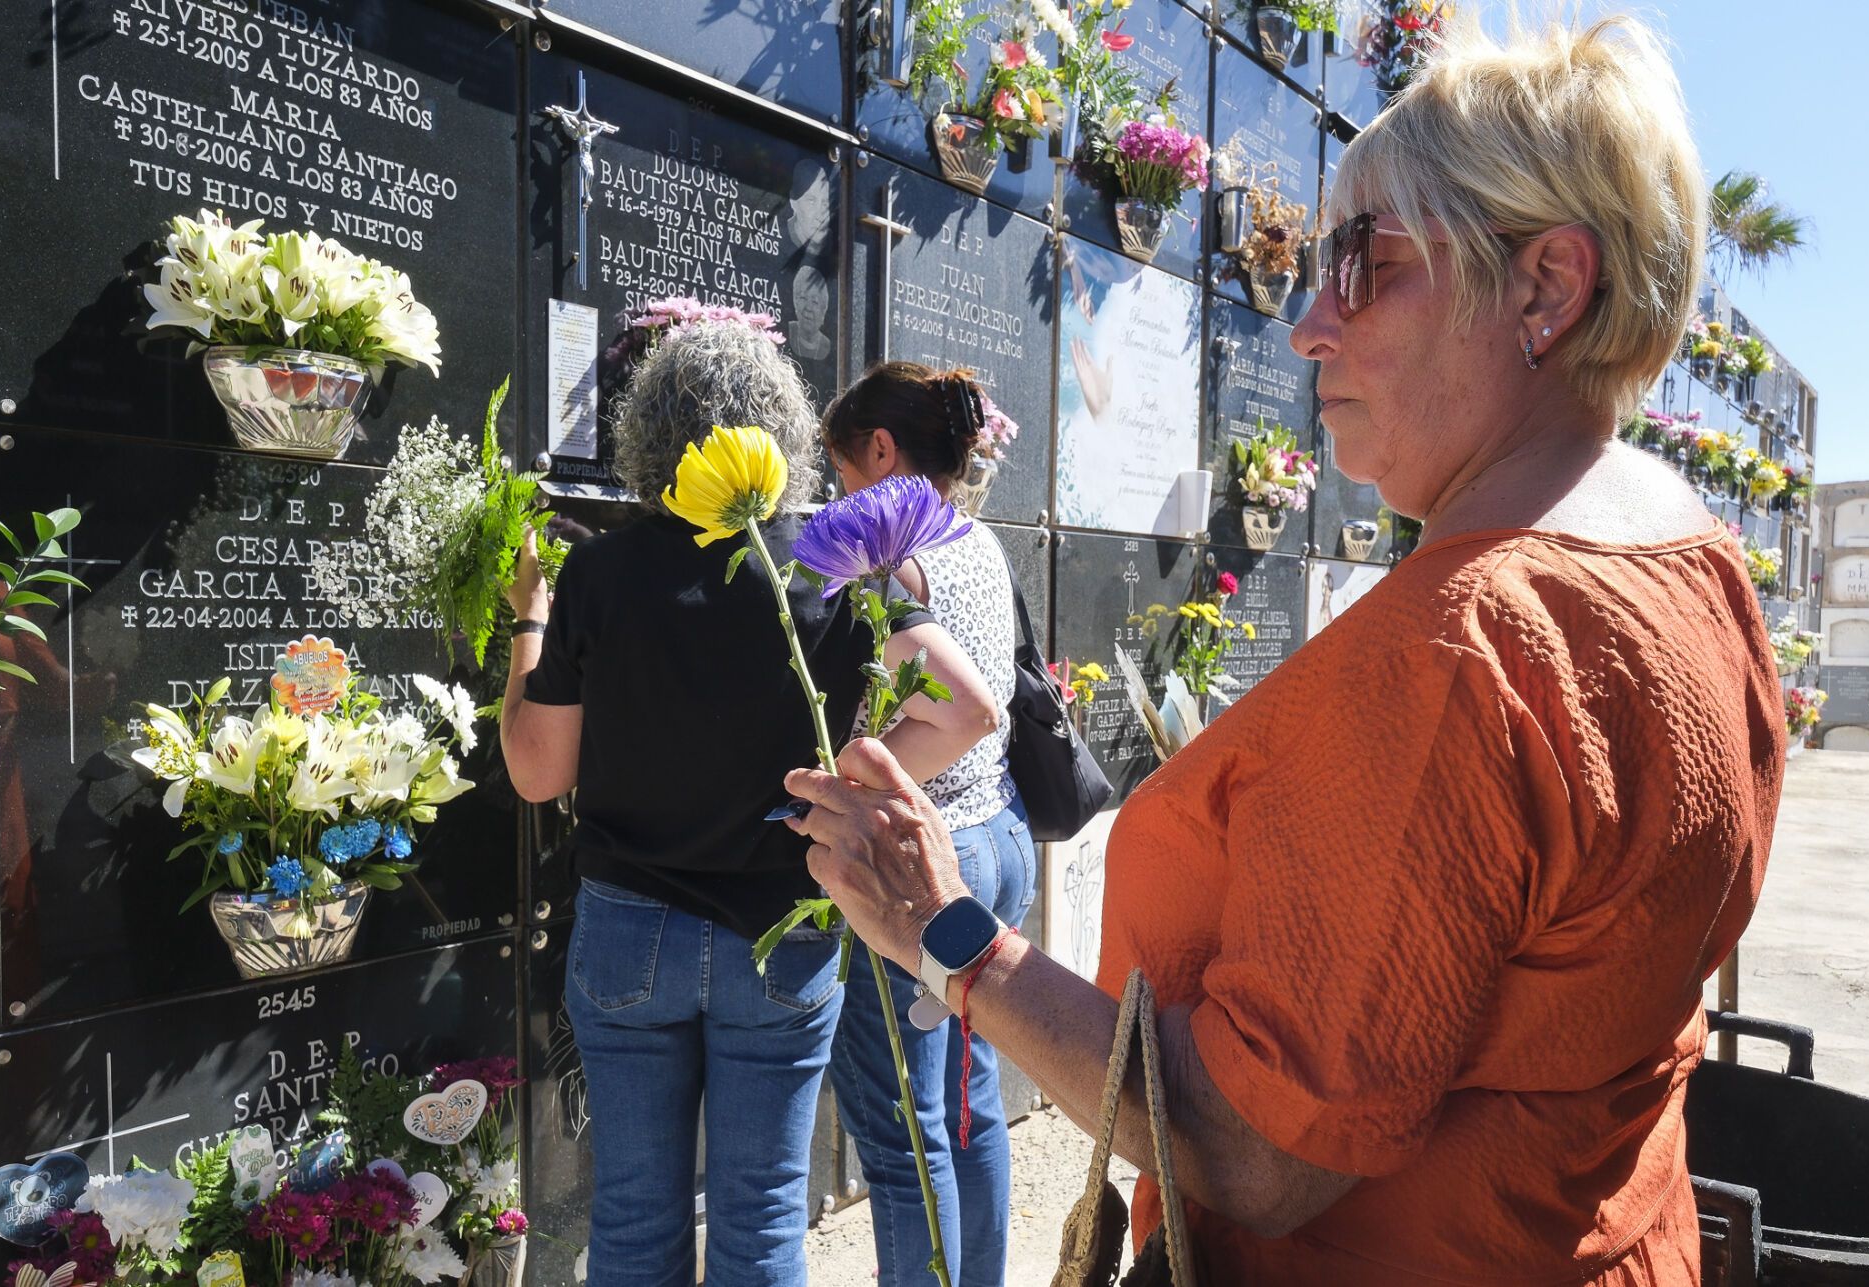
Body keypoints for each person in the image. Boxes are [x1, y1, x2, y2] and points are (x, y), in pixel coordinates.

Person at [778, 15, 1779, 1284]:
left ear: (1543, 286)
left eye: (1362, 264)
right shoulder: (1697, 564)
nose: (1309, 325)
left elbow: (1255, 1149)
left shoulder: (1465, 649)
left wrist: (943, 928)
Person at [499, 320, 999, 1287]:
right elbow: (969, 711)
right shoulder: (830, 564)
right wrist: (839, 791)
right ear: (784, 431)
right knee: (764, 1217)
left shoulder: (600, 570)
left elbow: (536, 772)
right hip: (783, 933)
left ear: (648, 436)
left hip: (628, 933)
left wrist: (531, 623)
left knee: (633, 1218)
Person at [819, 363, 1037, 1287]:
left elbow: (967, 710)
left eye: (841, 473)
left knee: (903, 1129)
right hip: (999, 839)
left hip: (928, 863)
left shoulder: (893, 561)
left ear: (881, 450)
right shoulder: (979, 539)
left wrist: (854, 781)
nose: (839, 497)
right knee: (968, 1107)